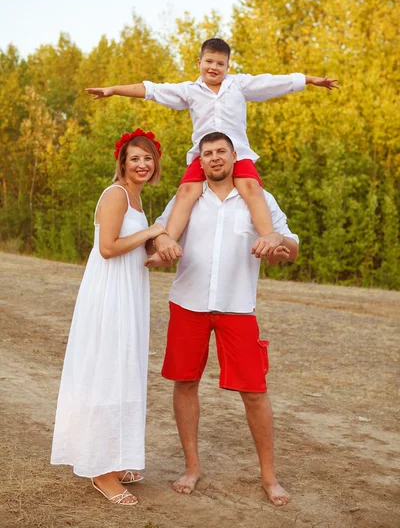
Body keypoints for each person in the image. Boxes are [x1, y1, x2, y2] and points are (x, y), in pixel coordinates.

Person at [146, 132, 299, 507]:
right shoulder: (186, 198)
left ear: (234, 156)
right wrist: (160, 244)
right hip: (187, 304)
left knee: (255, 392)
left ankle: (269, 476)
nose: (214, 158)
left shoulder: (257, 198)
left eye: (221, 152)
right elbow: (155, 238)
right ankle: (192, 467)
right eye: (207, 153)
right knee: (184, 384)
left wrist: (278, 240)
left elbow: (292, 249)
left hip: (237, 307)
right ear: (199, 161)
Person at [86, 37, 337, 262]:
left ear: (228, 66)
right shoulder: (190, 90)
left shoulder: (239, 85)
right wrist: (114, 90)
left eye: (220, 63)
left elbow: (272, 83)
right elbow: (152, 90)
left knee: (250, 188)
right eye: (209, 61)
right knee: (186, 191)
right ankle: (167, 245)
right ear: (199, 62)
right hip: (204, 155)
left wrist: (309, 80)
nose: (213, 68)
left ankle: (268, 237)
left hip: (237, 152)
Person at [51, 129, 168, 506]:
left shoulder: (136, 198)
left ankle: (117, 458)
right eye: (135, 158)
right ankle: (100, 472)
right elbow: (107, 248)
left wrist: (155, 247)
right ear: (122, 163)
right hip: (110, 294)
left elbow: (132, 243)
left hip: (129, 291)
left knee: (125, 371)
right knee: (106, 372)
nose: (142, 164)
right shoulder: (116, 194)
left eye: (147, 158)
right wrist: (152, 232)